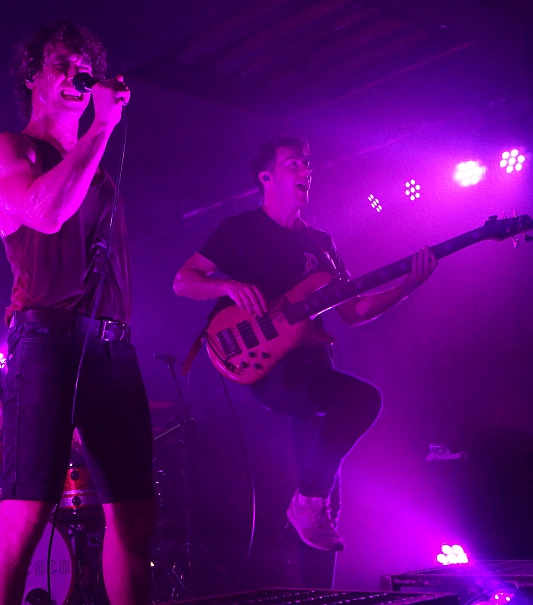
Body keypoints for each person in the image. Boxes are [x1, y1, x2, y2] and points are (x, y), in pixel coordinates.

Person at [173, 136, 437, 551]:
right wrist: (228, 286)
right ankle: (308, 501)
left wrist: (408, 285)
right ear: (266, 177)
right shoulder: (239, 230)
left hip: (315, 364)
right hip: (269, 365)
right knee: (360, 404)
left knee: (323, 499)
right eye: (294, 164)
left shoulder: (322, 244)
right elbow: (183, 281)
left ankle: (311, 513)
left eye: (307, 165)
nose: (306, 171)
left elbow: (354, 311)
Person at [0, 20, 155, 605]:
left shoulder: (93, 167)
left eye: (86, 68)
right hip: (46, 340)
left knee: (133, 513)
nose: (78, 76)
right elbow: (45, 214)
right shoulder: (11, 150)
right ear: (33, 75)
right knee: (27, 511)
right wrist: (101, 125)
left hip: (112, 345)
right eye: (63, 65)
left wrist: (96, 135)